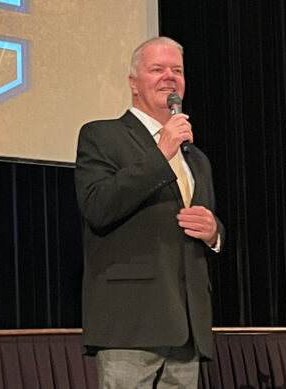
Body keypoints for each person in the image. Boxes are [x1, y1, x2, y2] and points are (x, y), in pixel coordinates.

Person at [74, 36, 225, 388]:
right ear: (133, 83)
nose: (169, 77)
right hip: (130, 323)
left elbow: (202, 220)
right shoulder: (101, 136)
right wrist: (162, 151)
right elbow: (98, 206)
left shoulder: (196, 157)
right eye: (157, 69)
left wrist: (214, 231)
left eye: (177, 70)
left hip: (187, 326)